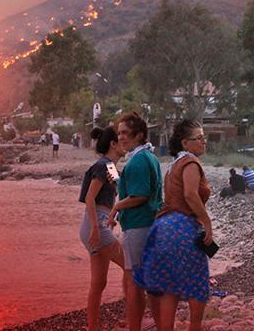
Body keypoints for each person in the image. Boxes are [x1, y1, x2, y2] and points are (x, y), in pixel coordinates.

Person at [135, 119, 212, 331]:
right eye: (199, 138)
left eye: (204, 138)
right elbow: (189, 194)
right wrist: (206, 220)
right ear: (185, 143)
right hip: (184, 228)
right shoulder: (191, 163)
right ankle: (194, 327)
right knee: (197, 281)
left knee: (169, 286)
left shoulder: (174, 165)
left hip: (162, 229)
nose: (204, 142)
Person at [107, 112, 163, 331]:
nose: (120, 137)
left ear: (138, 135)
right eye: (118, 133)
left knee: (134, 283)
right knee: (152, 282)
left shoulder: (139, 160)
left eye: (125, 133)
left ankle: (134, 327)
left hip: (138, 226)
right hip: (149, 224)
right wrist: (121, 181)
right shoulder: (148, 156)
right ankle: (162, 325)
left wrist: (116, 207)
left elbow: (140, 195)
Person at [78, 126, 126, 331]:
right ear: (113, 144)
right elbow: (90, 198)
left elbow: (111, 199)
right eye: (121, 140)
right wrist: (96, 228)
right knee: (132, 266)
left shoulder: (111, 168)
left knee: (99, 283)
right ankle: (133, 315)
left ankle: (93, 328)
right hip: (95, 223)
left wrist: (111, 217)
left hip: (99, 221)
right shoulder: (103, 165)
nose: (125, 143)